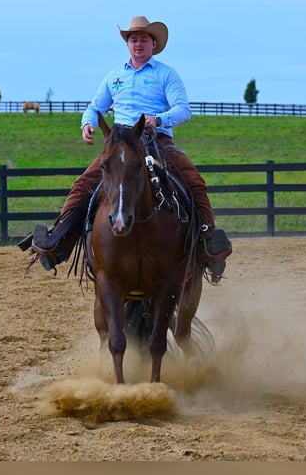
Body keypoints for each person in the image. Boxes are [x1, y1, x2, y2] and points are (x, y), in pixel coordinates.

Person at [22, 15, 232, 281]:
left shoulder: (166, 74)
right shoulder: (115, 77)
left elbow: (183, 109)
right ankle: (58, 243)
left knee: (192, 180)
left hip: (156, 141)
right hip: (121, 144)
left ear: (153, 44)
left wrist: (160, 119)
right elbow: (94, 107)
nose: (138, 44)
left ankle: (208, 239)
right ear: (128, 44)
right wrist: (87, 123)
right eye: (133, 39)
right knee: (83, 185)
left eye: (144, 39)